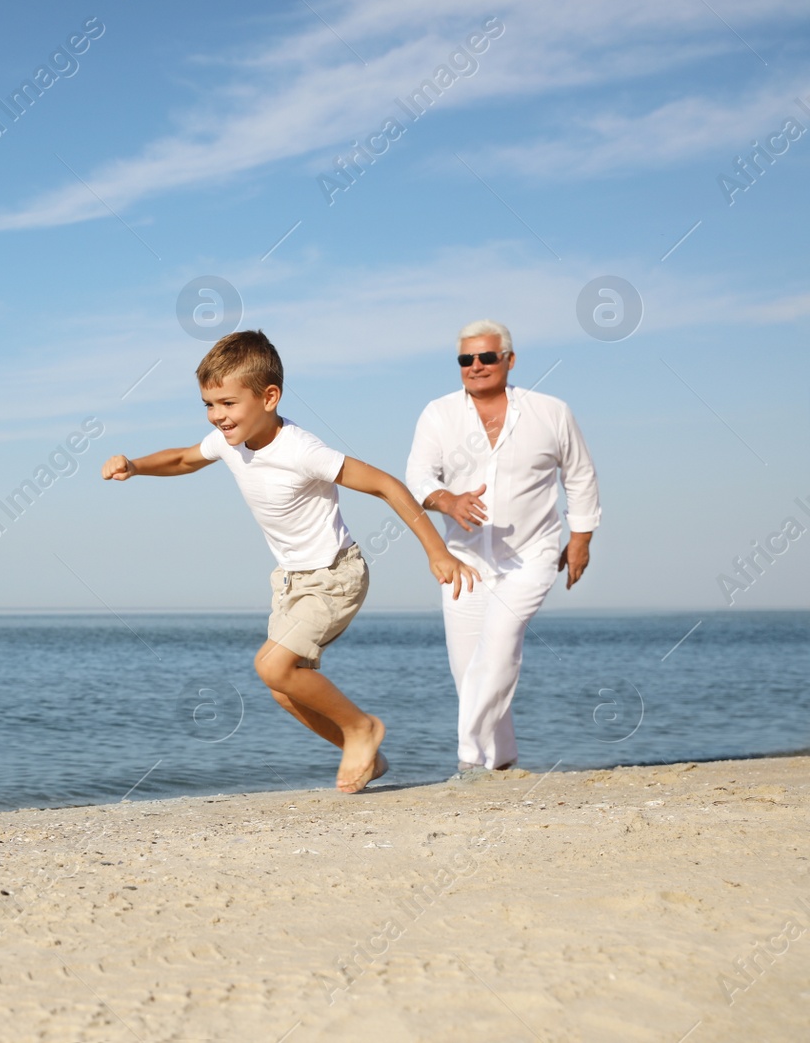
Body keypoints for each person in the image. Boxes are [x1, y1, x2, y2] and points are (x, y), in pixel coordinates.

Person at [102, 330, 478, 793]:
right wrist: (135, 465)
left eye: (227, 403)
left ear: (269, 396)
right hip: (291, 583)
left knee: (272, 666)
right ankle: (365, 754)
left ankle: (363, 728)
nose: (218, 416)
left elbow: (387, 485)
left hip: (335, 576)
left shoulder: (302, 450)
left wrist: (436, 551)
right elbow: (183, 459)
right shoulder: (228, 442)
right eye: (209, 404)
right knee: (283, 688)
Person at [406, 319, 601, 774]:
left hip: (531, 556)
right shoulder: (439, 413)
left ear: (508, 360)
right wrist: (447, 500)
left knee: (498, 647)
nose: (476, 366)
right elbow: (417, 478)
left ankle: (469, 762)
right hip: (466, 561)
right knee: (469, 670)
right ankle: (504, 760)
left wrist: (581, 538)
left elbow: (580, 475)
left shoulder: (551, 412)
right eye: (466, 359)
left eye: (487, 357)